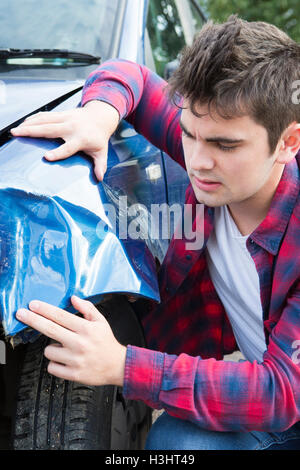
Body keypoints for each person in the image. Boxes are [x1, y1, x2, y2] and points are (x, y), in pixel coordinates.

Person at [11, 16, 300, 450]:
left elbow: (280, 394)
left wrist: (124, 365)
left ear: (287, 143)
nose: (199, 162)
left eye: (225, 146)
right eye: (188, 135)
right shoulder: (209, 143)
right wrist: (99, 114)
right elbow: (132, 76)